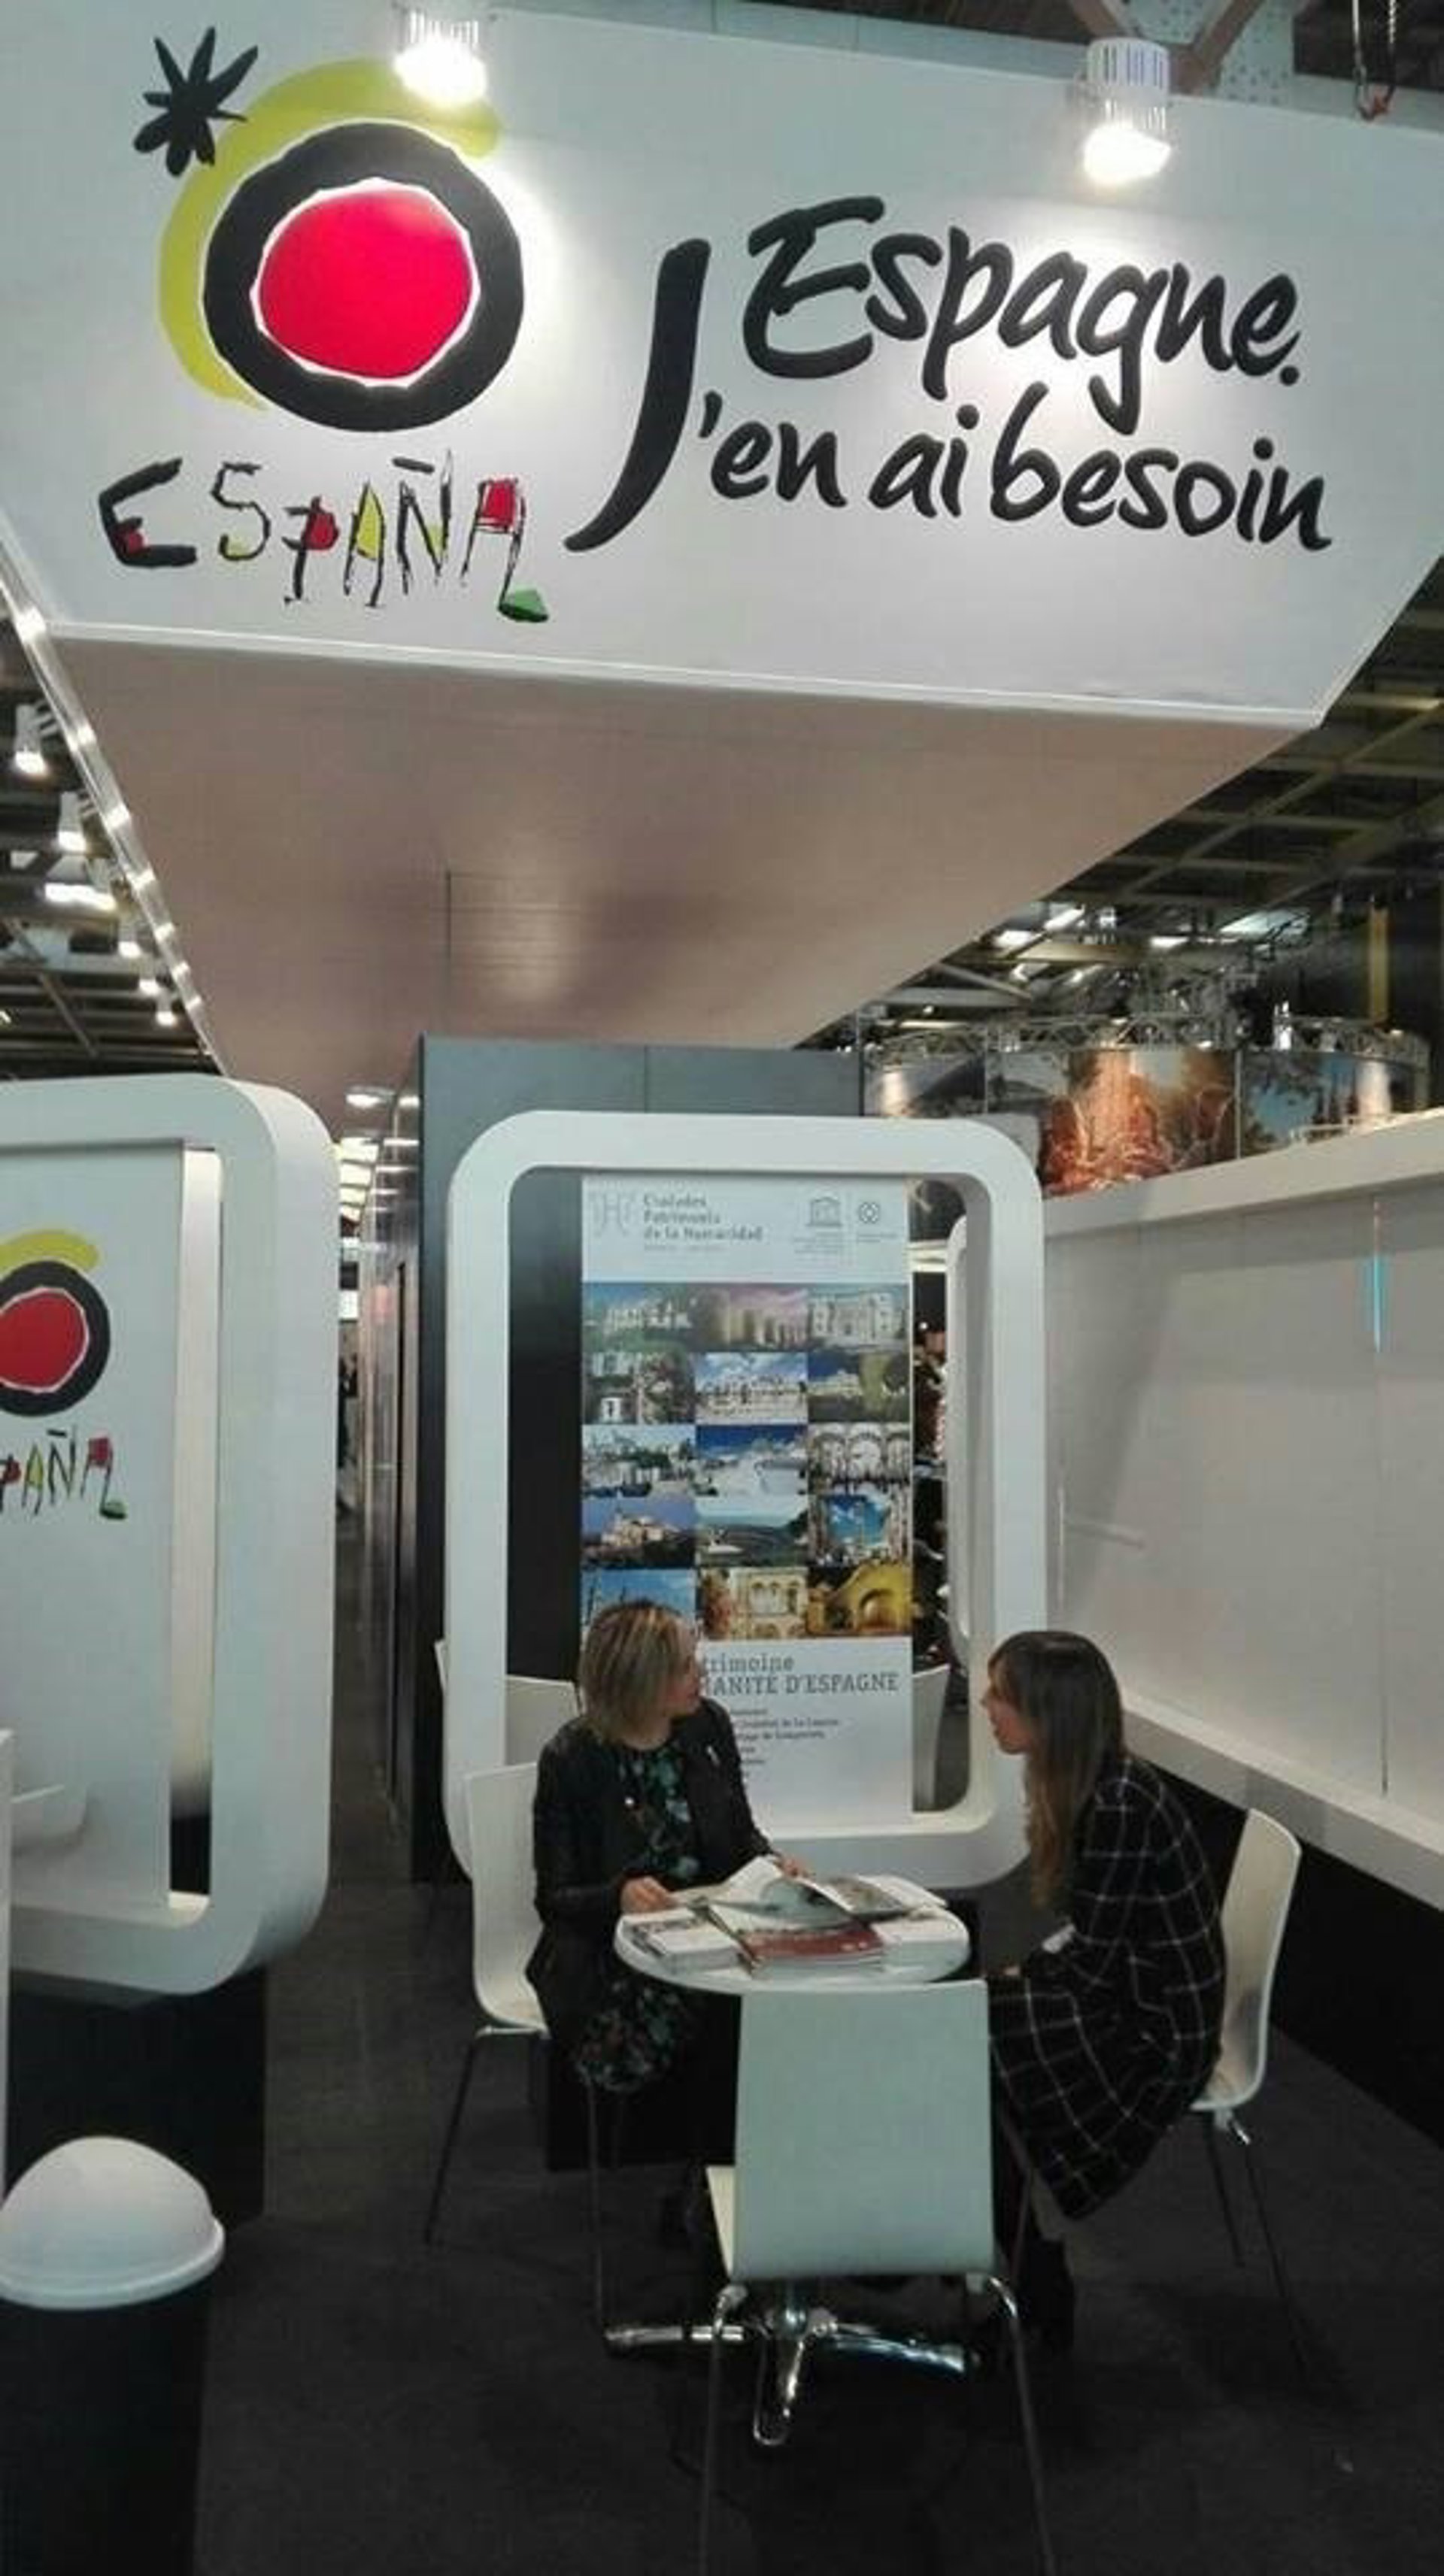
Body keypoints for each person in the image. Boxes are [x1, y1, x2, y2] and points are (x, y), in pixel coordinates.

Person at [983, 1629, 1225, 2345]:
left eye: (1001, 1695)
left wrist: (1019, 1977)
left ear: (1047, 1711)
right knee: (966, 2035)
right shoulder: (1101, 1786)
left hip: (1155, 2032)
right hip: (1136, 1996)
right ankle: (1027, 2270)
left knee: (963, 2040)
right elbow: (1096, 1943)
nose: (987, 1705)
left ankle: (1031, 2278)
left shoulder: (1119, 1803)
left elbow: (1094, 1964)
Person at [527, 1597, 790, 2138]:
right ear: (643, 1680)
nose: (701, 1674)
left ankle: (741, 2159)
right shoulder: (573, 1758)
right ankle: (715, 2161)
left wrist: (772, 1866)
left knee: (787, 1988)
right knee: (719, 2009)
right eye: (685, 1666)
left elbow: (741, 1834)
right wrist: (619, 1896)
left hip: (716, 1927)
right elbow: (554, 1898)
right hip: (615, 1953)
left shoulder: (708, 1727)